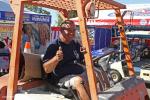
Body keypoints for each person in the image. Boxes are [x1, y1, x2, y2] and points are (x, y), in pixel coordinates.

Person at [42, 20, 90, 100]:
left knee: (95, 73)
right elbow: (46, 69)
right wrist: (56, 59)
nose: (72, 32)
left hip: (77, 73)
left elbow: (83, 61)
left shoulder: (75, 44)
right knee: (79, 81)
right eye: (69, 30)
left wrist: (86, 54)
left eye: (74, 30)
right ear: (61, 30)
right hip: (61, 78)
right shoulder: (53, 46)